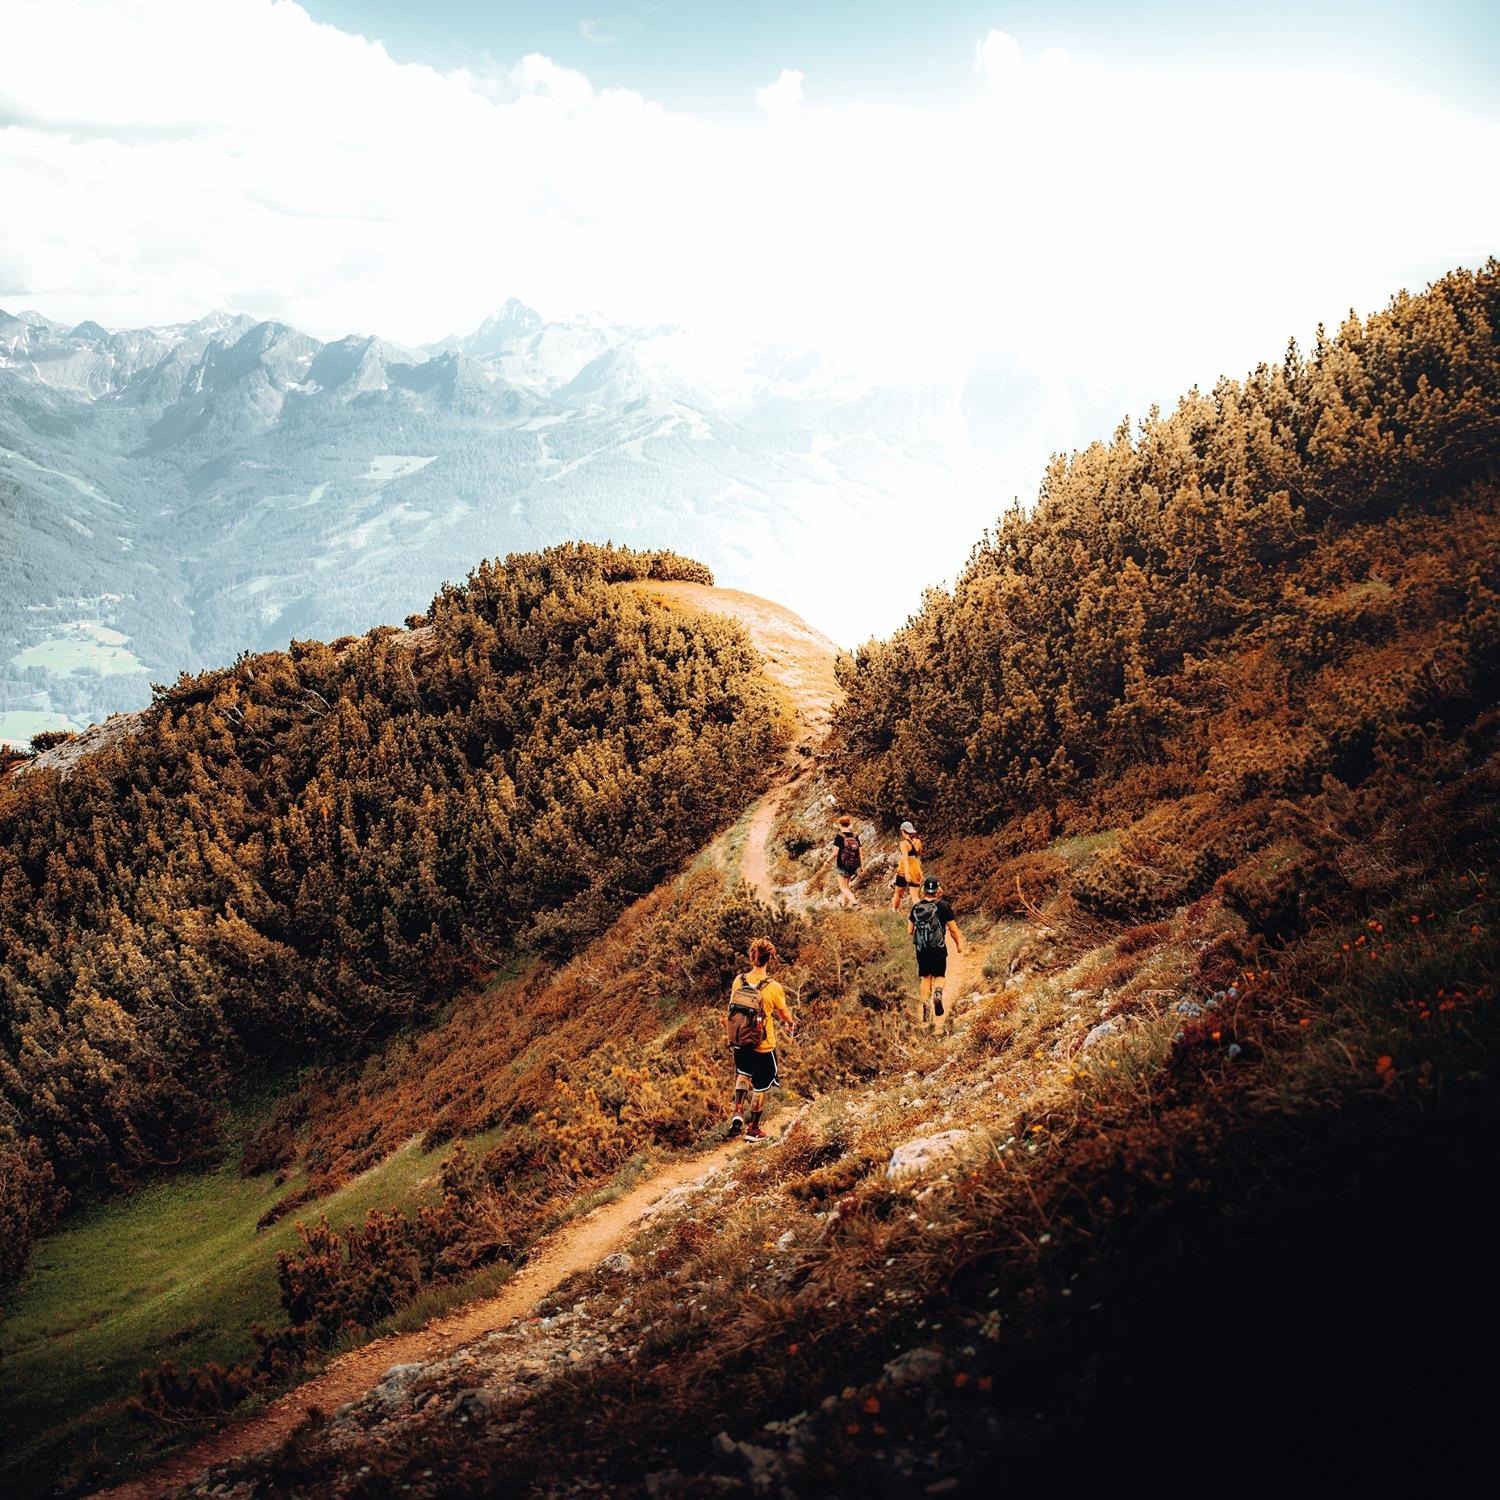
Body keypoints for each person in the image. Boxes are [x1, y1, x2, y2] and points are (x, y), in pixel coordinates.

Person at [724, 937, 795, 1141]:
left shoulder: (739, 980)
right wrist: (790, 1022)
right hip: (763, 1044)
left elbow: (731, 1007)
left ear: (751, 956)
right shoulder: (773, 987)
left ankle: (737, 1113)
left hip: (739, 1040)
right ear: (769, 959)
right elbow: (783, 1014)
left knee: (743, 1075)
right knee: (761, 1085)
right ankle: (754, 1129)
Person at [908, 875, 963, 1025]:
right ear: (937, 889)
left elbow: (909, 931)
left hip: (922, 949)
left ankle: (925, 1005)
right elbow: (953, 929)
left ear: (924, 890)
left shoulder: (916, 907)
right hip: (938, 948)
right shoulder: (944, 906)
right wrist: (958, 945)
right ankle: (937, 994)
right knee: (939, 975)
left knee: (926, 977)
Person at [890, 820, 924, 912]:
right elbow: (919, 854)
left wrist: (906, 873)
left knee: (898, 893)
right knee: (915, 896)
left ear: (903, 831)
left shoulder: (903, 843)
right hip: (916, 869)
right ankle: (922, 913)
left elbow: (905, 858)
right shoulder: (918, 841)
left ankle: (894, 911)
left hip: (903, 870)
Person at [832, 815, 862, 909]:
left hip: (842, 864)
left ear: (840, 825)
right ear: (849, 824)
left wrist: (827, 861)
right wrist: (862, 866)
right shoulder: (855, 836)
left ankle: (855, 903)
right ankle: (844, 907)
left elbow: (835, 853)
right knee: (846, 886)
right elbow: (860, 853)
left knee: (843, 887)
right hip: (852, 865)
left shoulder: (839, 837)